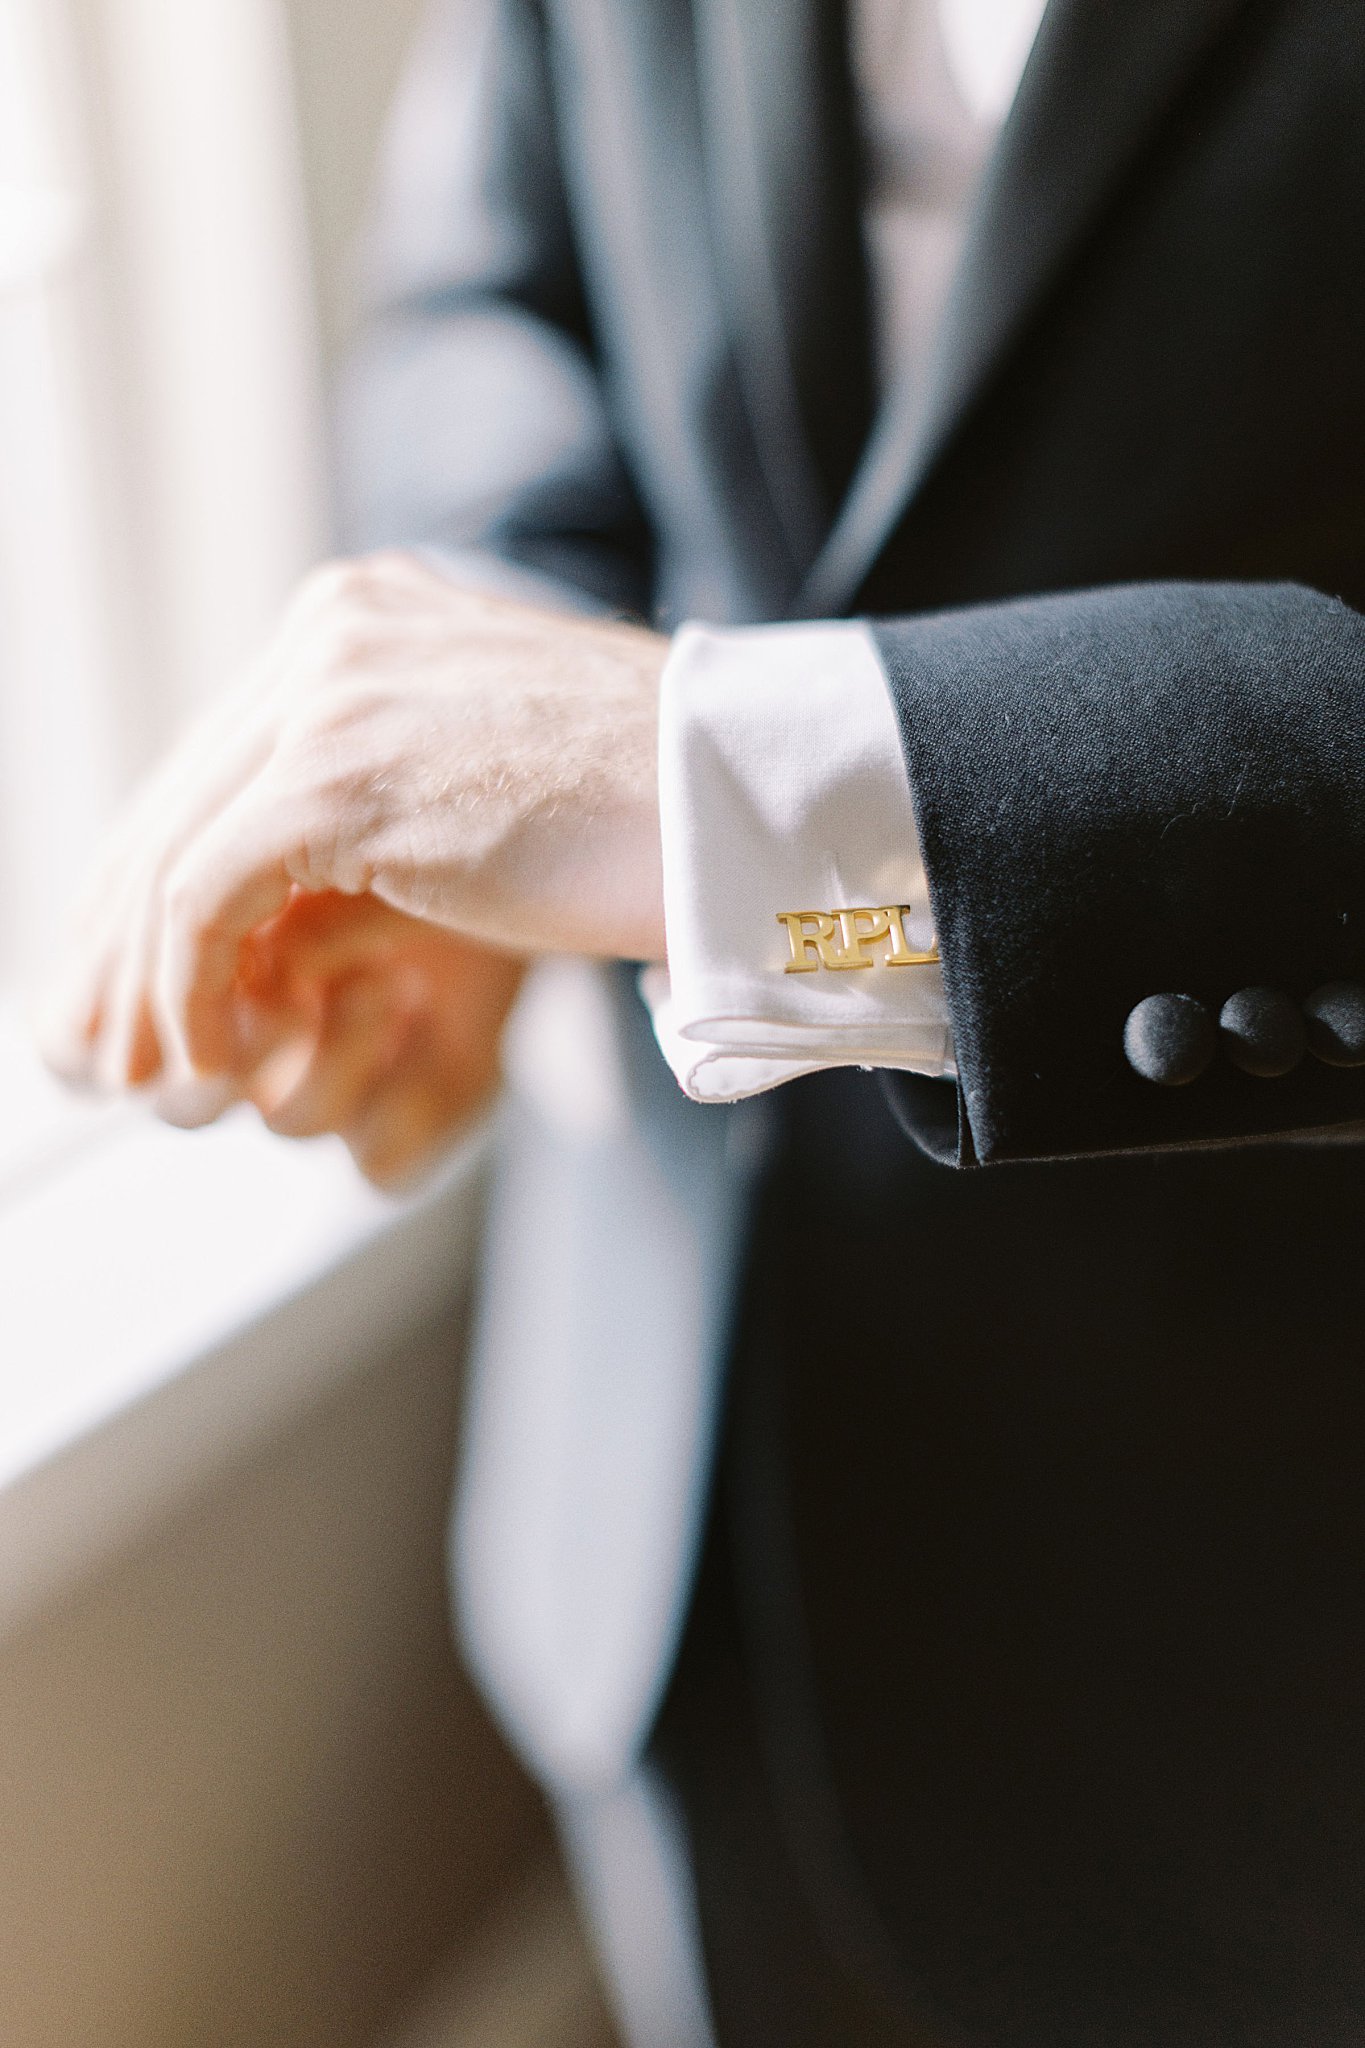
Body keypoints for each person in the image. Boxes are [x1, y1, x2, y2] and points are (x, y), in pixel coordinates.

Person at [39, 0, 1365, 2041]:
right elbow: (479, 297)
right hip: (659, 1518)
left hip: (1267, 1634)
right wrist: (501, 688)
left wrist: (696, 792)